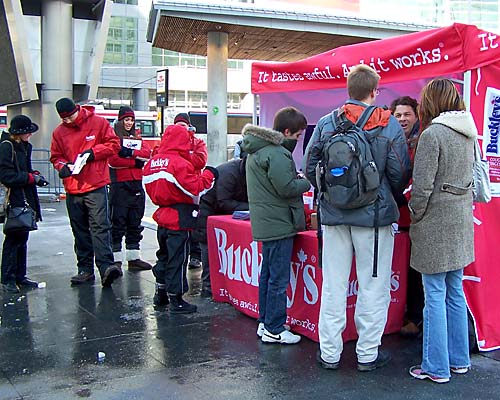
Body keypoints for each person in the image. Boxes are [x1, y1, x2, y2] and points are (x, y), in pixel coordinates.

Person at [303, 64, 410, 371]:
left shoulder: (326, 122)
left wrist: (333, 196)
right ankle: (367, 354)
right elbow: (399, 172)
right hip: (374, 219)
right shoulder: (387, 124)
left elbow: (311, 168)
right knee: (373, 286)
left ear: (348, 89)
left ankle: (330, 353)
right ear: (375, 92)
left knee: (333, 285)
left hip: (333, 218)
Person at [408, 78, 474, 384]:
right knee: (454, 292)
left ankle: (435, 366)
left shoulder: (432, 134)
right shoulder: (467, 133)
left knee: (433, 294)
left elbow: (421, 188)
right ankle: (459, 360)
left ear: (432, 102)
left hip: (435, 223)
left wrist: (414, 214)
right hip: (460, 221)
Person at [241, 106, 311, 345]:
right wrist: (306, 183)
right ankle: (275, 328)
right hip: (279, 224)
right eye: (298, 135)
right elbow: (287, 188)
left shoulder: (256, 150)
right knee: (278, 279)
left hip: (267, 222)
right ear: (288, 131)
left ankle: (266, 322)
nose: (298, 140)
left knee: (268, 276)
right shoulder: (277, 153)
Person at [143, 124, 217, 314]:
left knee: (164, 256)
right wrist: (210, 174)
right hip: (179, 217)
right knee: (178, 258)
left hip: (162, 215)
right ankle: (176, 299)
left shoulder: (153, 162)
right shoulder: (179, 163)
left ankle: (160, 292)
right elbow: (195, 188)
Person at [50, 98, 121, 287]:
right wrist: (62, 167)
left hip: (96, 184)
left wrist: (93, 153)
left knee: (100, 226)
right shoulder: (59, 132)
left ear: (77, 110)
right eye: (63, 119)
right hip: (73, 186)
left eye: (70, 117)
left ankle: (106, 266)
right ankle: (85, 269)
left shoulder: (98, 123)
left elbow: (114, 144)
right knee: (80, 230)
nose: (68, 121)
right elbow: (56, 157)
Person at [0, 115, 49, 293]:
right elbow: (6, 176)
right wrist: (30, 178)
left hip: (24, 197)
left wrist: (34, 174)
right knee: (14, 238)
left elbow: (24, 169)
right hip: (14, 199)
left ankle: (20, 276)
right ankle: (8, 278)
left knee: (22, 237)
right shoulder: (7, 147)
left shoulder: (24, 146)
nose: (30, 134)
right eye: (28, 131)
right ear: (19, 133)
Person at [390, 96, 424, 338]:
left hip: (413, 219)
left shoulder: (421, 141)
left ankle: (415, 317)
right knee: (397, 271)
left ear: (416, 115)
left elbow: (419, 181)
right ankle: (399, 314)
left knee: (414, 273)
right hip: (394, 219)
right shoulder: (391, 140)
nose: (402, 119)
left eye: (406, 114)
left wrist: (400, 197)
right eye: (398, 115)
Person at [192, 156, 249, 297]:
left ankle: (221, 284)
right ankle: (208, 286)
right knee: (208, 247)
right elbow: (224, 202)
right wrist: (254, 207)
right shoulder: (229, 173)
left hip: (222, 213)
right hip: (208, 211)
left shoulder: (244, 172)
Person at [108, 106, 152, 274]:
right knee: (118, 222)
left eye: (131, 120)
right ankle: (116, 259)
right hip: (119, 185)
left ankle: (133, 257)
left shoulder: (137, 136)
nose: (129, 123)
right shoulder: (113, 137)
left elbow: (146, 153)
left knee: (135, 221)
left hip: (136, 184)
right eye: (126, 119)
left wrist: (128, 153)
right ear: (120, 120)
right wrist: (135, 160)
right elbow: (113, 160)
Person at [173, 112, 206, 270]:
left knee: (194, 221)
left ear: (189, 127)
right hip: (174, 188)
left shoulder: (198, 142)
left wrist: (180, 154)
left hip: (193, 188)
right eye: (178, 126)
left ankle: (195, 255)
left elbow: (200, 161)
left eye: (183, 126)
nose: (181, 129)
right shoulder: (166, 142)